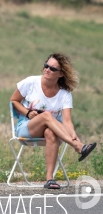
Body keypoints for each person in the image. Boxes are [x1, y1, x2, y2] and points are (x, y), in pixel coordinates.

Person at [10, 53, 97, 189]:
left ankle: (50, 179)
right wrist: (27, 112)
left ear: (61, 74)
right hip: (26, 127)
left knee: (50, 132)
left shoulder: (65, 94)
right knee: (46, 116)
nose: (47, 70)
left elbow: (67, 121)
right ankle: (78, 147)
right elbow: (14, 100)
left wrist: (73, 133)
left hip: (53, 132)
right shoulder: (31, 82)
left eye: (52, 68)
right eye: (46, 66)